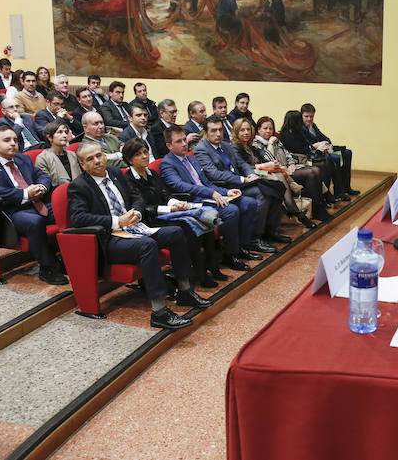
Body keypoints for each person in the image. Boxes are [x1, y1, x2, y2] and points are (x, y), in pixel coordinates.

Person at [69, 141, 209, 329]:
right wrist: (118, 221)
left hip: (135, 228)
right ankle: (159, 312)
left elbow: (137, 197)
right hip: (110, 239)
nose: (97, 161)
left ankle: (184, 290)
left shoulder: (117, 174)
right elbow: (78, 218)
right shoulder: (78, 186)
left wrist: (137, 213)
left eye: (99, 155)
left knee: (176, 232)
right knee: (147, 245)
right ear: (82, 165)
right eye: (90, 159)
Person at [121, 138, 225, 287]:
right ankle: (199, 274)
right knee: (188, 228)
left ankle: (213, 268)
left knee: (205, 223)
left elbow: (165, 195)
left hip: (166, 213)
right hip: (149, 220)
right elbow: (142, 208)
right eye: (138, 154)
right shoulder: (128, 179)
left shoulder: (151, 173)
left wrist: (177, 204)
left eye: (145, 152)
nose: (144, 156)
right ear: (130, 160)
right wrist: (170, 209)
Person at [0, 126, 67, 285]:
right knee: (35, 221)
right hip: (12, 211)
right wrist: (24, 194)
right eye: (7, 140)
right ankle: (48, 266)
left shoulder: (21, 159)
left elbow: (42, 175)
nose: (13, 144)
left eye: (15, 140)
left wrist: (42, 188)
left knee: (67, 208)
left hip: (37, 204)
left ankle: (68, 257)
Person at [160, 125, 260, 271]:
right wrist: (211, 194)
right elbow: (180, 186)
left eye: (184, 139)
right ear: (169, 145)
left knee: (249, 203)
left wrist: (226, 192)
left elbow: (207, 183)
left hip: (209, 196)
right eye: (178, 141)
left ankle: (242, 246)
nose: (184, 143)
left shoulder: (191, 159)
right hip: (194, 201)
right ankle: (230, 254)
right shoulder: (167, 164)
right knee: (231, 211)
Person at [195, 115, 287, 249]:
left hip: (240, 183)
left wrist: (250, 174)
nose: (218, 134)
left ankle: (270, 231)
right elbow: (213, 173)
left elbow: (241, 164)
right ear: (205, 133)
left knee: (276, 187)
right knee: (262, 193)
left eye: (220, 130)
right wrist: (242, 179)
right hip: (224, 188)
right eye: (214, 131)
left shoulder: (226, 145)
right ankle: (255, 238)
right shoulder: (201, 149)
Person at [232, 117, 317, 229]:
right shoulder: (235, 148)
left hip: (262, 173)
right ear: (236, 131)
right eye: (242, 130)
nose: (246, 132)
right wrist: (265, 165)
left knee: (280, 173)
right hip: (249, 178)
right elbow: (242, 168)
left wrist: (272, 164)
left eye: (248, 129)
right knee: (278, 180)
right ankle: (294, 210)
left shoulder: (250, 146)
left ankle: (293, 209)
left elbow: (267, 158)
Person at [254, 115, 331, 222]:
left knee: (316, 169)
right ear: (258, 129)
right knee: (311, 173)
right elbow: (268, 159)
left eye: (270, 128)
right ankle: (318, 209)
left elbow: (287, 153)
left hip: (288, 168)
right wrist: (270, 143)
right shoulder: (256, 143)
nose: (268, 131)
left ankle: (319, 206)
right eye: (265, 128)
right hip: (278, 173)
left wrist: (291, 163)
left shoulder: (276, 139)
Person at [277, 110, 341, 201]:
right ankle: (323, 196)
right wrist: (315, 147)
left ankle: (326, 194)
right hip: (298, 160)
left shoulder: (298, 132)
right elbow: (298, 150)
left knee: (324, 161)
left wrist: (316, 147)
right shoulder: (286, 135)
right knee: (320, 165)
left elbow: (306, 145)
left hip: (304, 157)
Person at [301, 103, 359, 196]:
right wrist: (323, 146)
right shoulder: (301, 128)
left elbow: (325, 138)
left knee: (347, 153)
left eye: (311, 116)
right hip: (315, 154)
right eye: (306, 116)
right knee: (335, 157)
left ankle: (346, 187)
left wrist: (329, 146)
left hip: (325, 150)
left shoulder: (313, 126)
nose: (309, 119)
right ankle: (338, 192)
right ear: (301, 115)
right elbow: (306, 145)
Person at [35, 120, 81, 186]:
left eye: (66, 132)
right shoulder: (43, 159)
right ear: (49, 137)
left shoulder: (73, 155)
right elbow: (47, 184)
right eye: (60, 132)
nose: (65, 135)